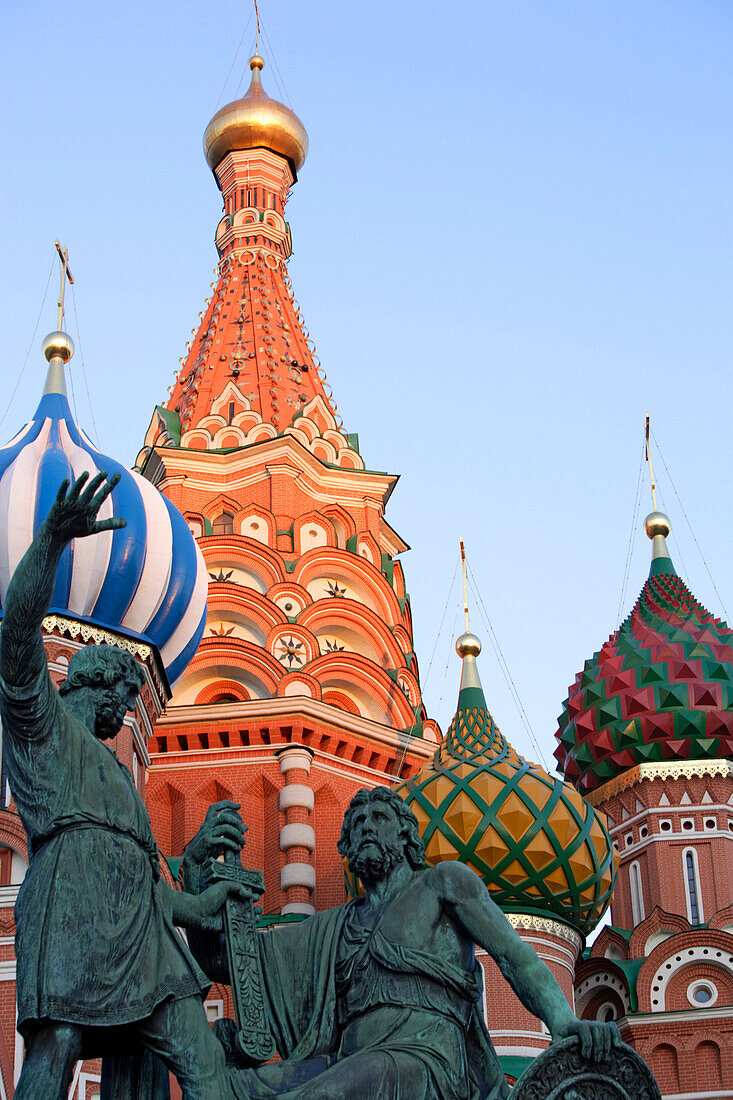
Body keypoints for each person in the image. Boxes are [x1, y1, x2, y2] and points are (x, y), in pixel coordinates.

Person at [0, 473, 245, 1100]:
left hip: (143, 929)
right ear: (95, 682)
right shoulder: (42, 726)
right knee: (57, 1048)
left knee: (201, 1064)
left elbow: (145, 870)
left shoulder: (115, 773)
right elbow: (19, 641)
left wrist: (189, 861)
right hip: (71, 900)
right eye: (125, 692)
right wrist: (51, 543)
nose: (128, 704)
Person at [183, 787, 620, 1100]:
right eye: (356, 824)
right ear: (347, 847)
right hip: (345, 1058)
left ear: (406, 837)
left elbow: (515, 954)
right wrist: (196, 866)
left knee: (331, 1091)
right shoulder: (334, 927)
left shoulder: (443, 882)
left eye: (379, 819)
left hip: (426, 1060)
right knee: (231, 1087)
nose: (367, 827)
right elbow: (230, 961)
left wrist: (563, 1023)